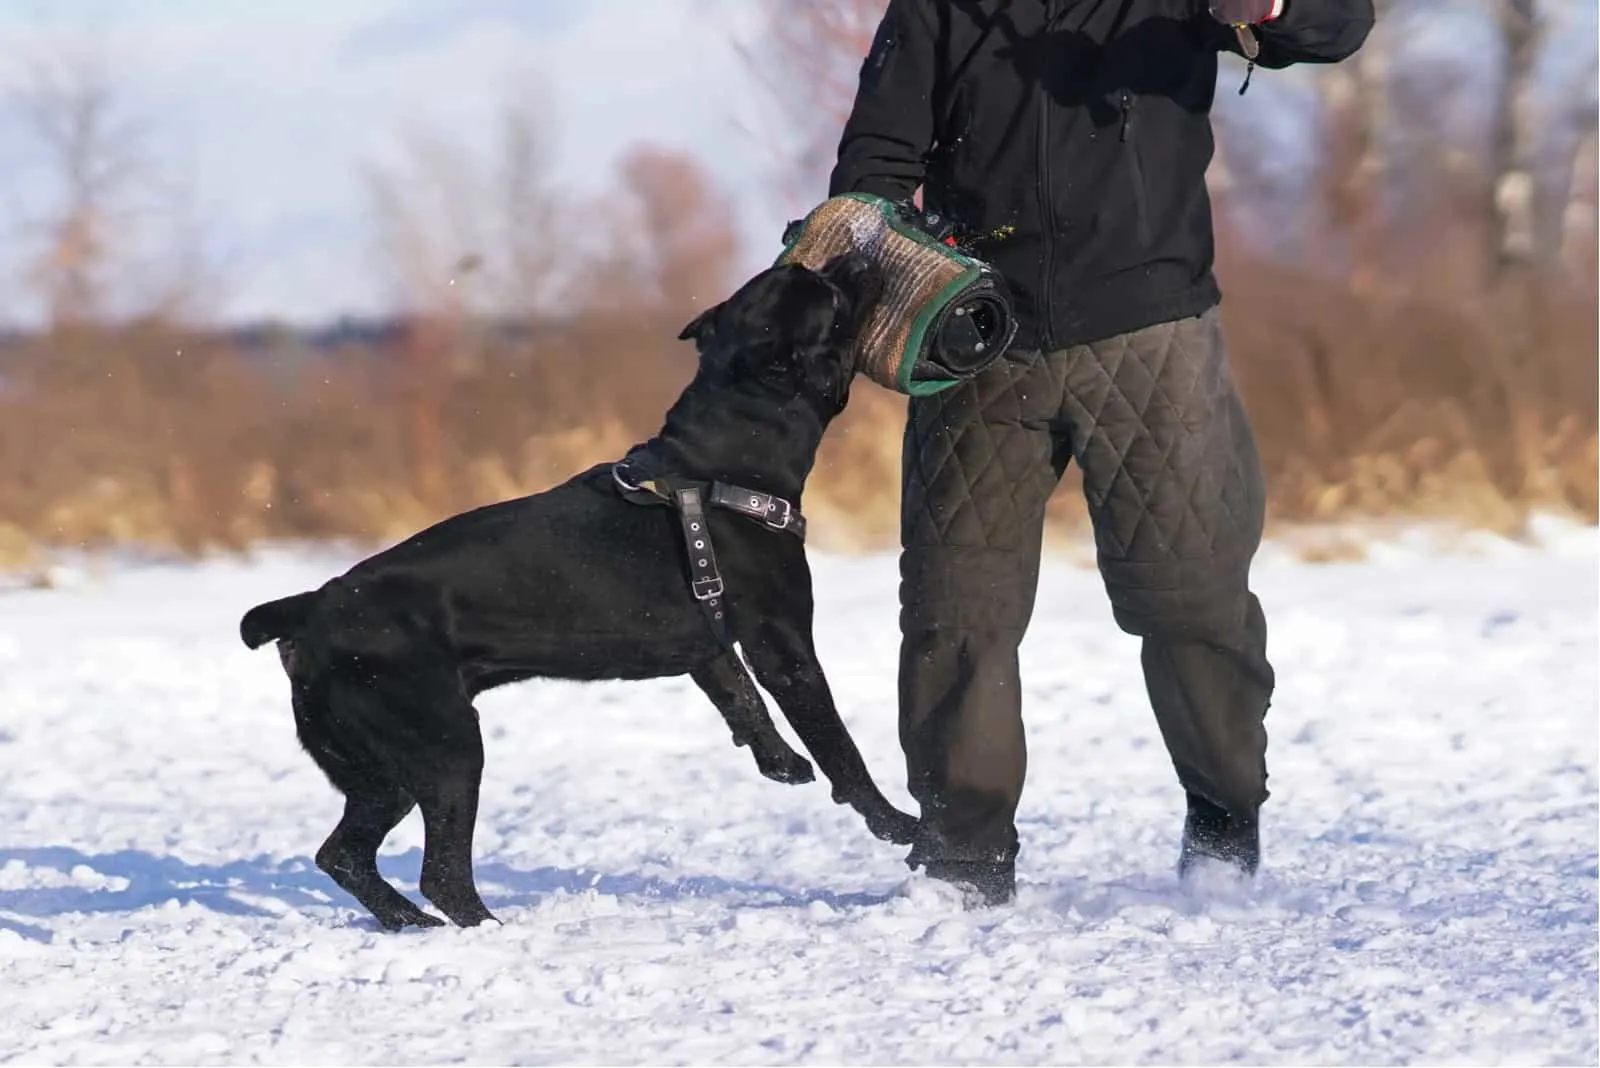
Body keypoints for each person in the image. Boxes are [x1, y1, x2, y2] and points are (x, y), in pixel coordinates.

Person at [828, 0, 1374, 905]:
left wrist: (1274, 7)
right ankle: (964, 859)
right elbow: (877, 160)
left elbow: (1333, 27)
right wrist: (870, 264)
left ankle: (1225, 815)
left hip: (1151, 334)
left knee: (1192, 597)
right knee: (954, 614)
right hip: (978, 343)